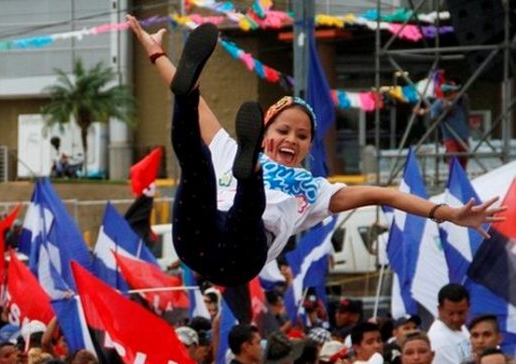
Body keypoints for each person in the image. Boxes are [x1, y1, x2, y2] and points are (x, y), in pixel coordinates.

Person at [126, 17, 501, 287]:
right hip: (197, 241)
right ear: (267, 129)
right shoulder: (229, 147)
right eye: (283, 130)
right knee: (196, 163)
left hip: (244, 253)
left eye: (302, 135)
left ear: (309, 144)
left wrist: (446, 213)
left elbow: (383, 194)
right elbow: (203, 105)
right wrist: (158, 55)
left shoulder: (316, 188)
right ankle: (186, 98)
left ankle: (250, 174)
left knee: (248, 208)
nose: (292, 139)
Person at [418, 80, 471, 170]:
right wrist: (445, 112)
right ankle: (454, 178)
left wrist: (453, 101)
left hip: (463, 135)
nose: (454, 93)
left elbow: (464, 97)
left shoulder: (460, 101)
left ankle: (462, 177)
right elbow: (434, 118)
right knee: (454, 159)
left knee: (464, 158)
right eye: (452, 91)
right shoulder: (439, 104)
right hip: (450, 136)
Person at [429, 283, 472, 364]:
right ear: (439, 309)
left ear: (468, 307)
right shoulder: (440, 341)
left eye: (461, 313)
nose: (456, 319)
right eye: (450, 313)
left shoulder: (460, 327)